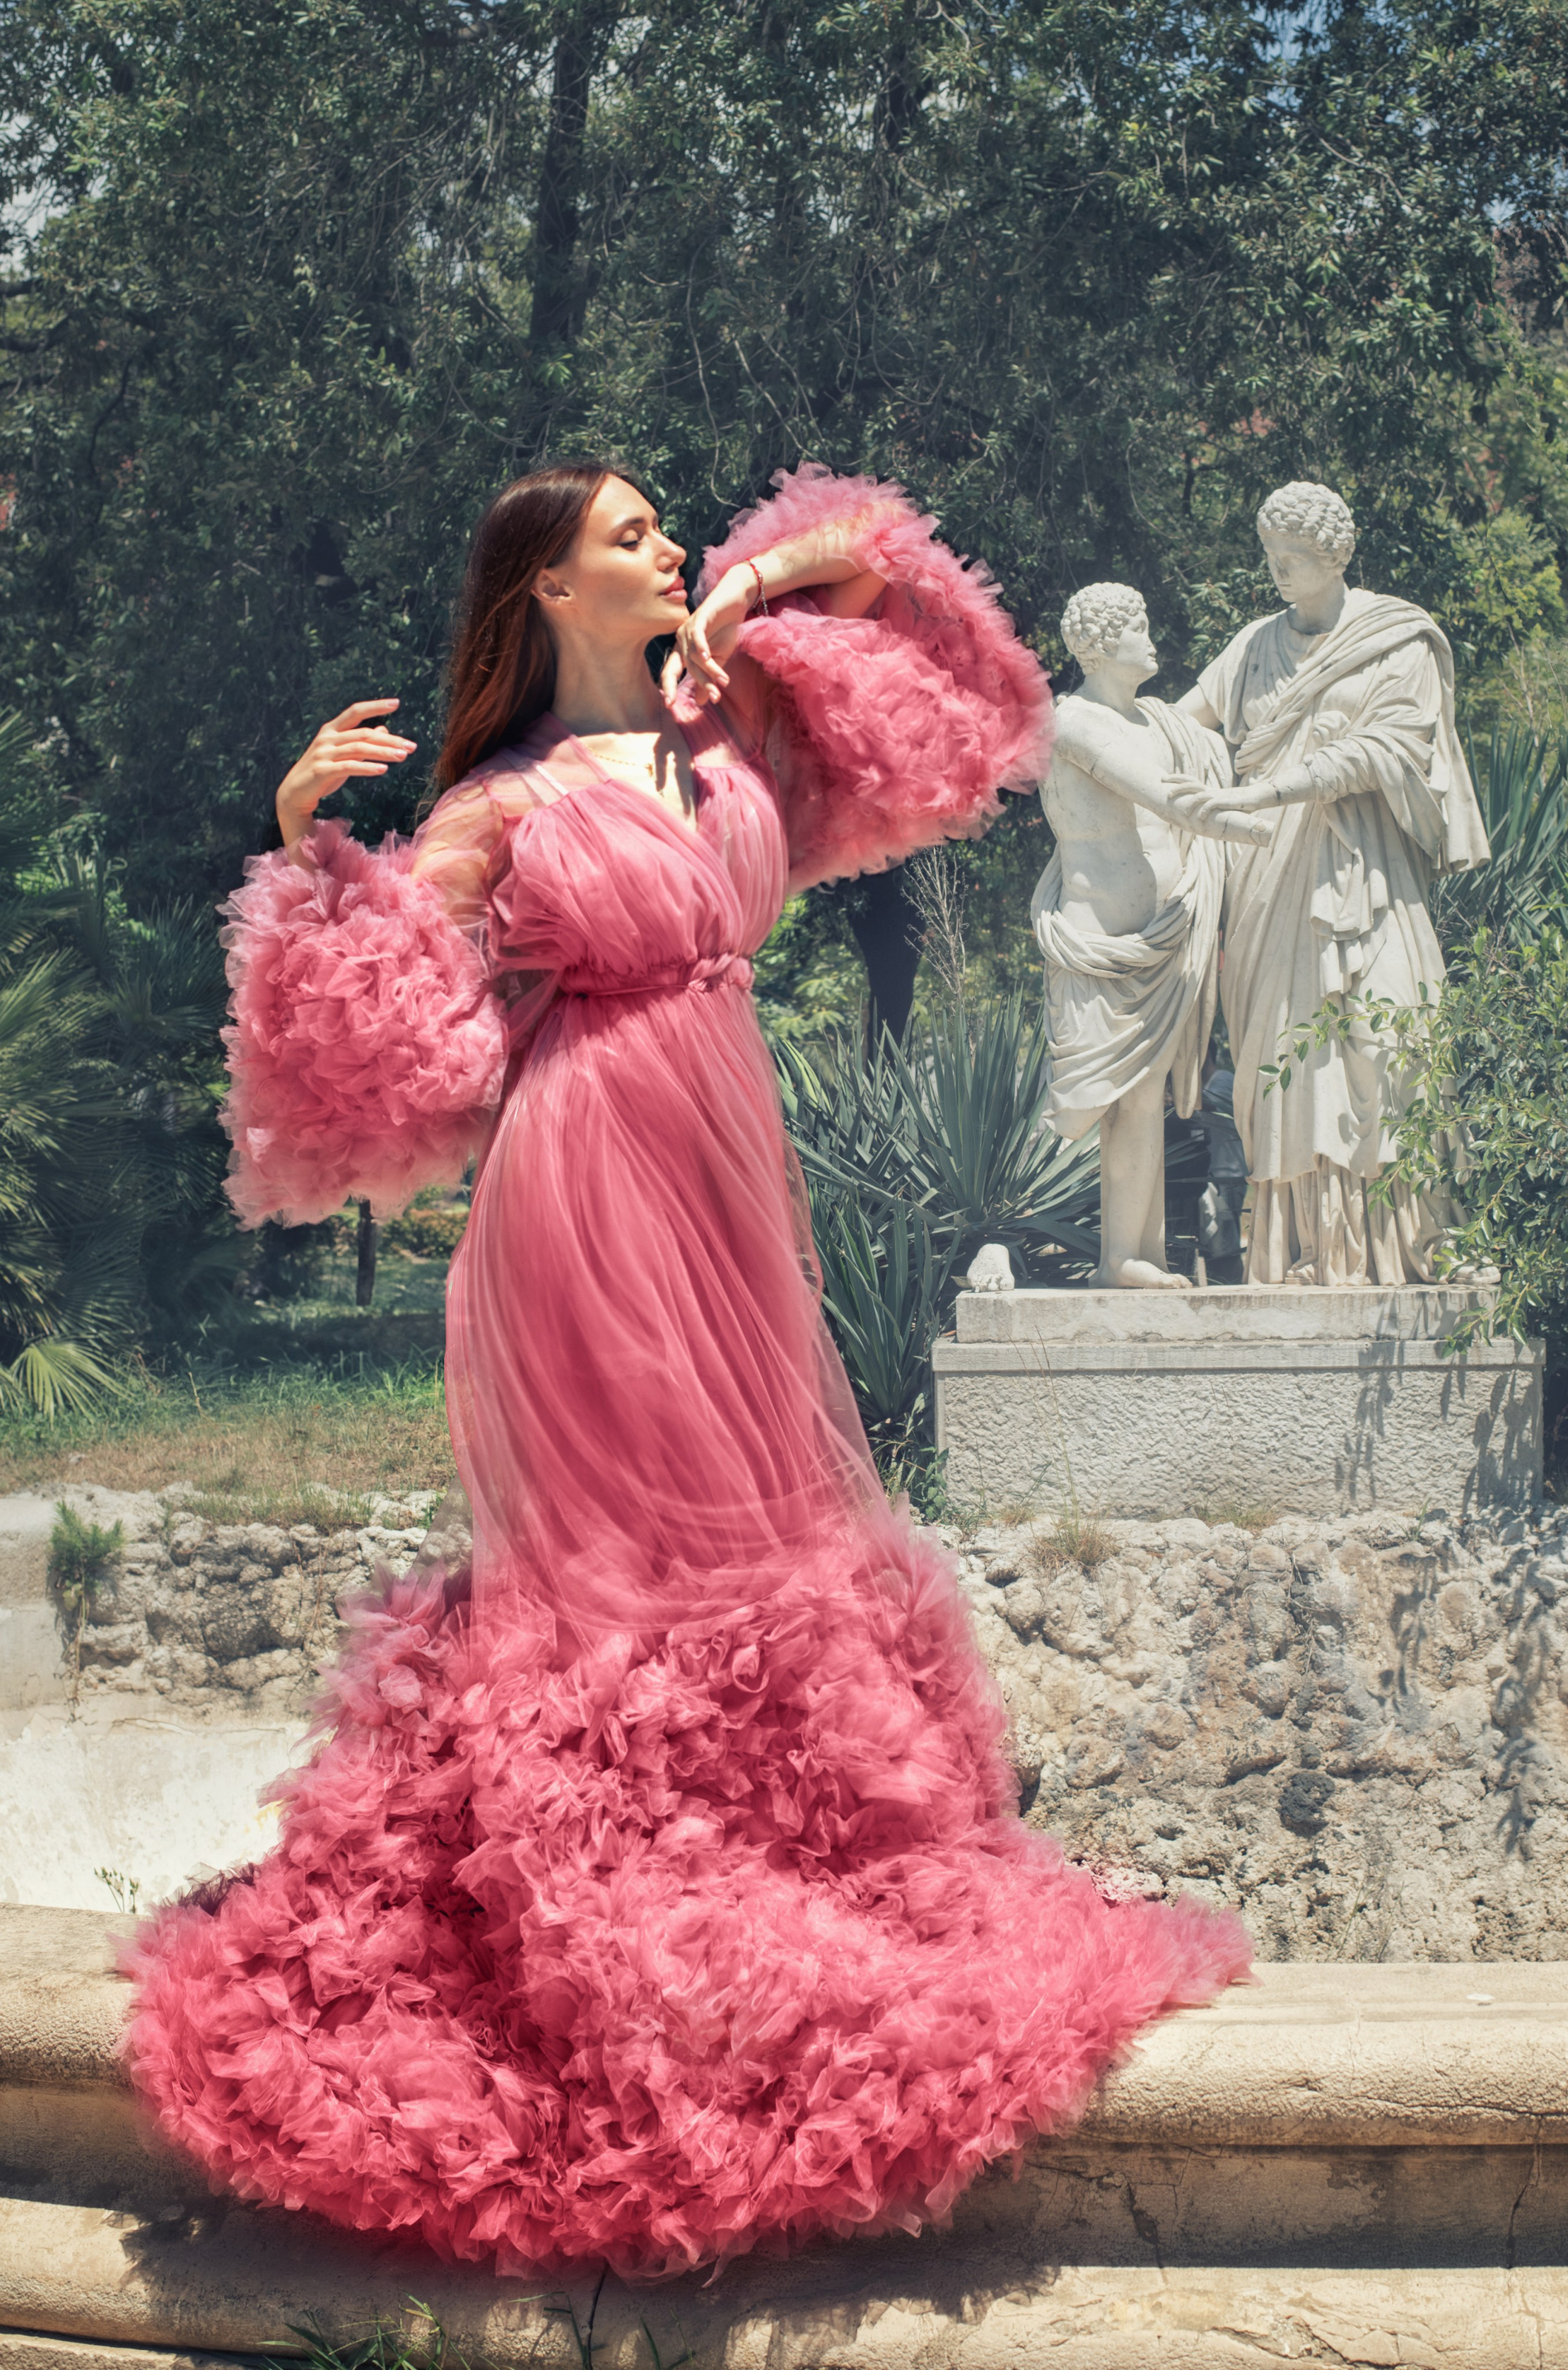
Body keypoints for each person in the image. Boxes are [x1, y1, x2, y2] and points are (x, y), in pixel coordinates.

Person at [123, 461, 1249, 2279]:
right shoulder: (498, 807)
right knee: (621, 1580)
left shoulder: (732, 724)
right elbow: (366, 1066)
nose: (664, 546)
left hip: (726, 1183)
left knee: (753, 1542)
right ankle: (598, 1931)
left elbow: (908, 604)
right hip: (583, 1191)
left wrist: (730, 601)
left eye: (665, 530)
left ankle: (762, 1877)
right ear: (548, 587)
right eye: (631, 536)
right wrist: (307, 849)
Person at [1170, 481, 1488, 1286]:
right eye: (1270, 554)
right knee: (1284, 1061)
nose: (1278, 570)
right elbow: (1178, 724)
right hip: (1267, 881)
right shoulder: (1252, 646)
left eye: (1295, 556)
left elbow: (1389, 747)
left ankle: (1415, 1239)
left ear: (1336, 555)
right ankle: (1309, 1249)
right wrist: (1094, 729)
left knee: (1392, 1044)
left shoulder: (1397, 638)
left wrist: (1264, 791)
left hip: (1367, 871)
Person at [1032, 584, 1228, 1289]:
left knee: (1143, 1099)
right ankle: (999, 1240)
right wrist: (1259, 817)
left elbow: (1223, 705)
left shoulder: (1158, 722)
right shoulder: (1073, 723)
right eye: (1138, 627)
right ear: (1101, 643)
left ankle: (1132, 1257)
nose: (1152, 639)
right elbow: (1162, 796)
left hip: (1159, 940)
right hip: (1098, 946)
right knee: (1080, 1101)